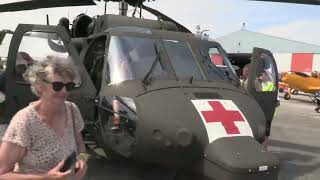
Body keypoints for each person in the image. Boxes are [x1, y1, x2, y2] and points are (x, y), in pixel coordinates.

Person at [0, 56, 88, 180]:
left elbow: (80, 145)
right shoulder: (24, 121)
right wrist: (45, 177)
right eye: (57, 85)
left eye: (69, 86)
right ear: (40, 86)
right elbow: (2, 174)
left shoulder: (72, 110)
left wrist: (83, 160)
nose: (64, 91)